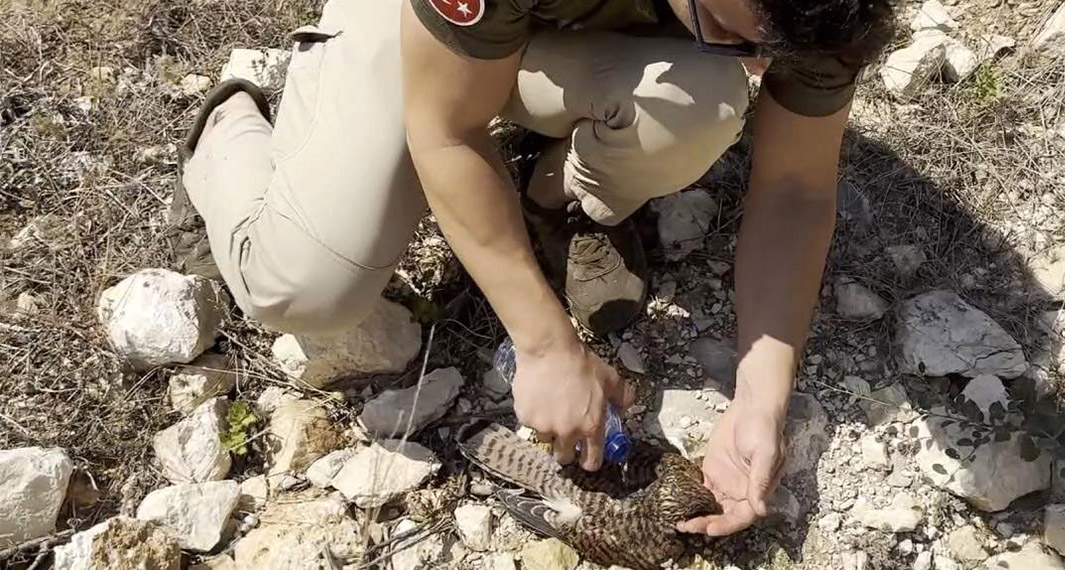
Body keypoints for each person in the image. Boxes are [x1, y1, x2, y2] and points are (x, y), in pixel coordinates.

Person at [169, 0, 894, 537]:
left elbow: (797, 190)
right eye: (738, 38)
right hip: (426, 30)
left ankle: (559, 191)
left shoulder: (818, 6)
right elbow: (446, 132)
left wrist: (760, 396)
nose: (763, 71)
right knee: (304, 287)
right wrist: (545, 345)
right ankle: (227, 129)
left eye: (774, 53)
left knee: (700, 102)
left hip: (570, 30)